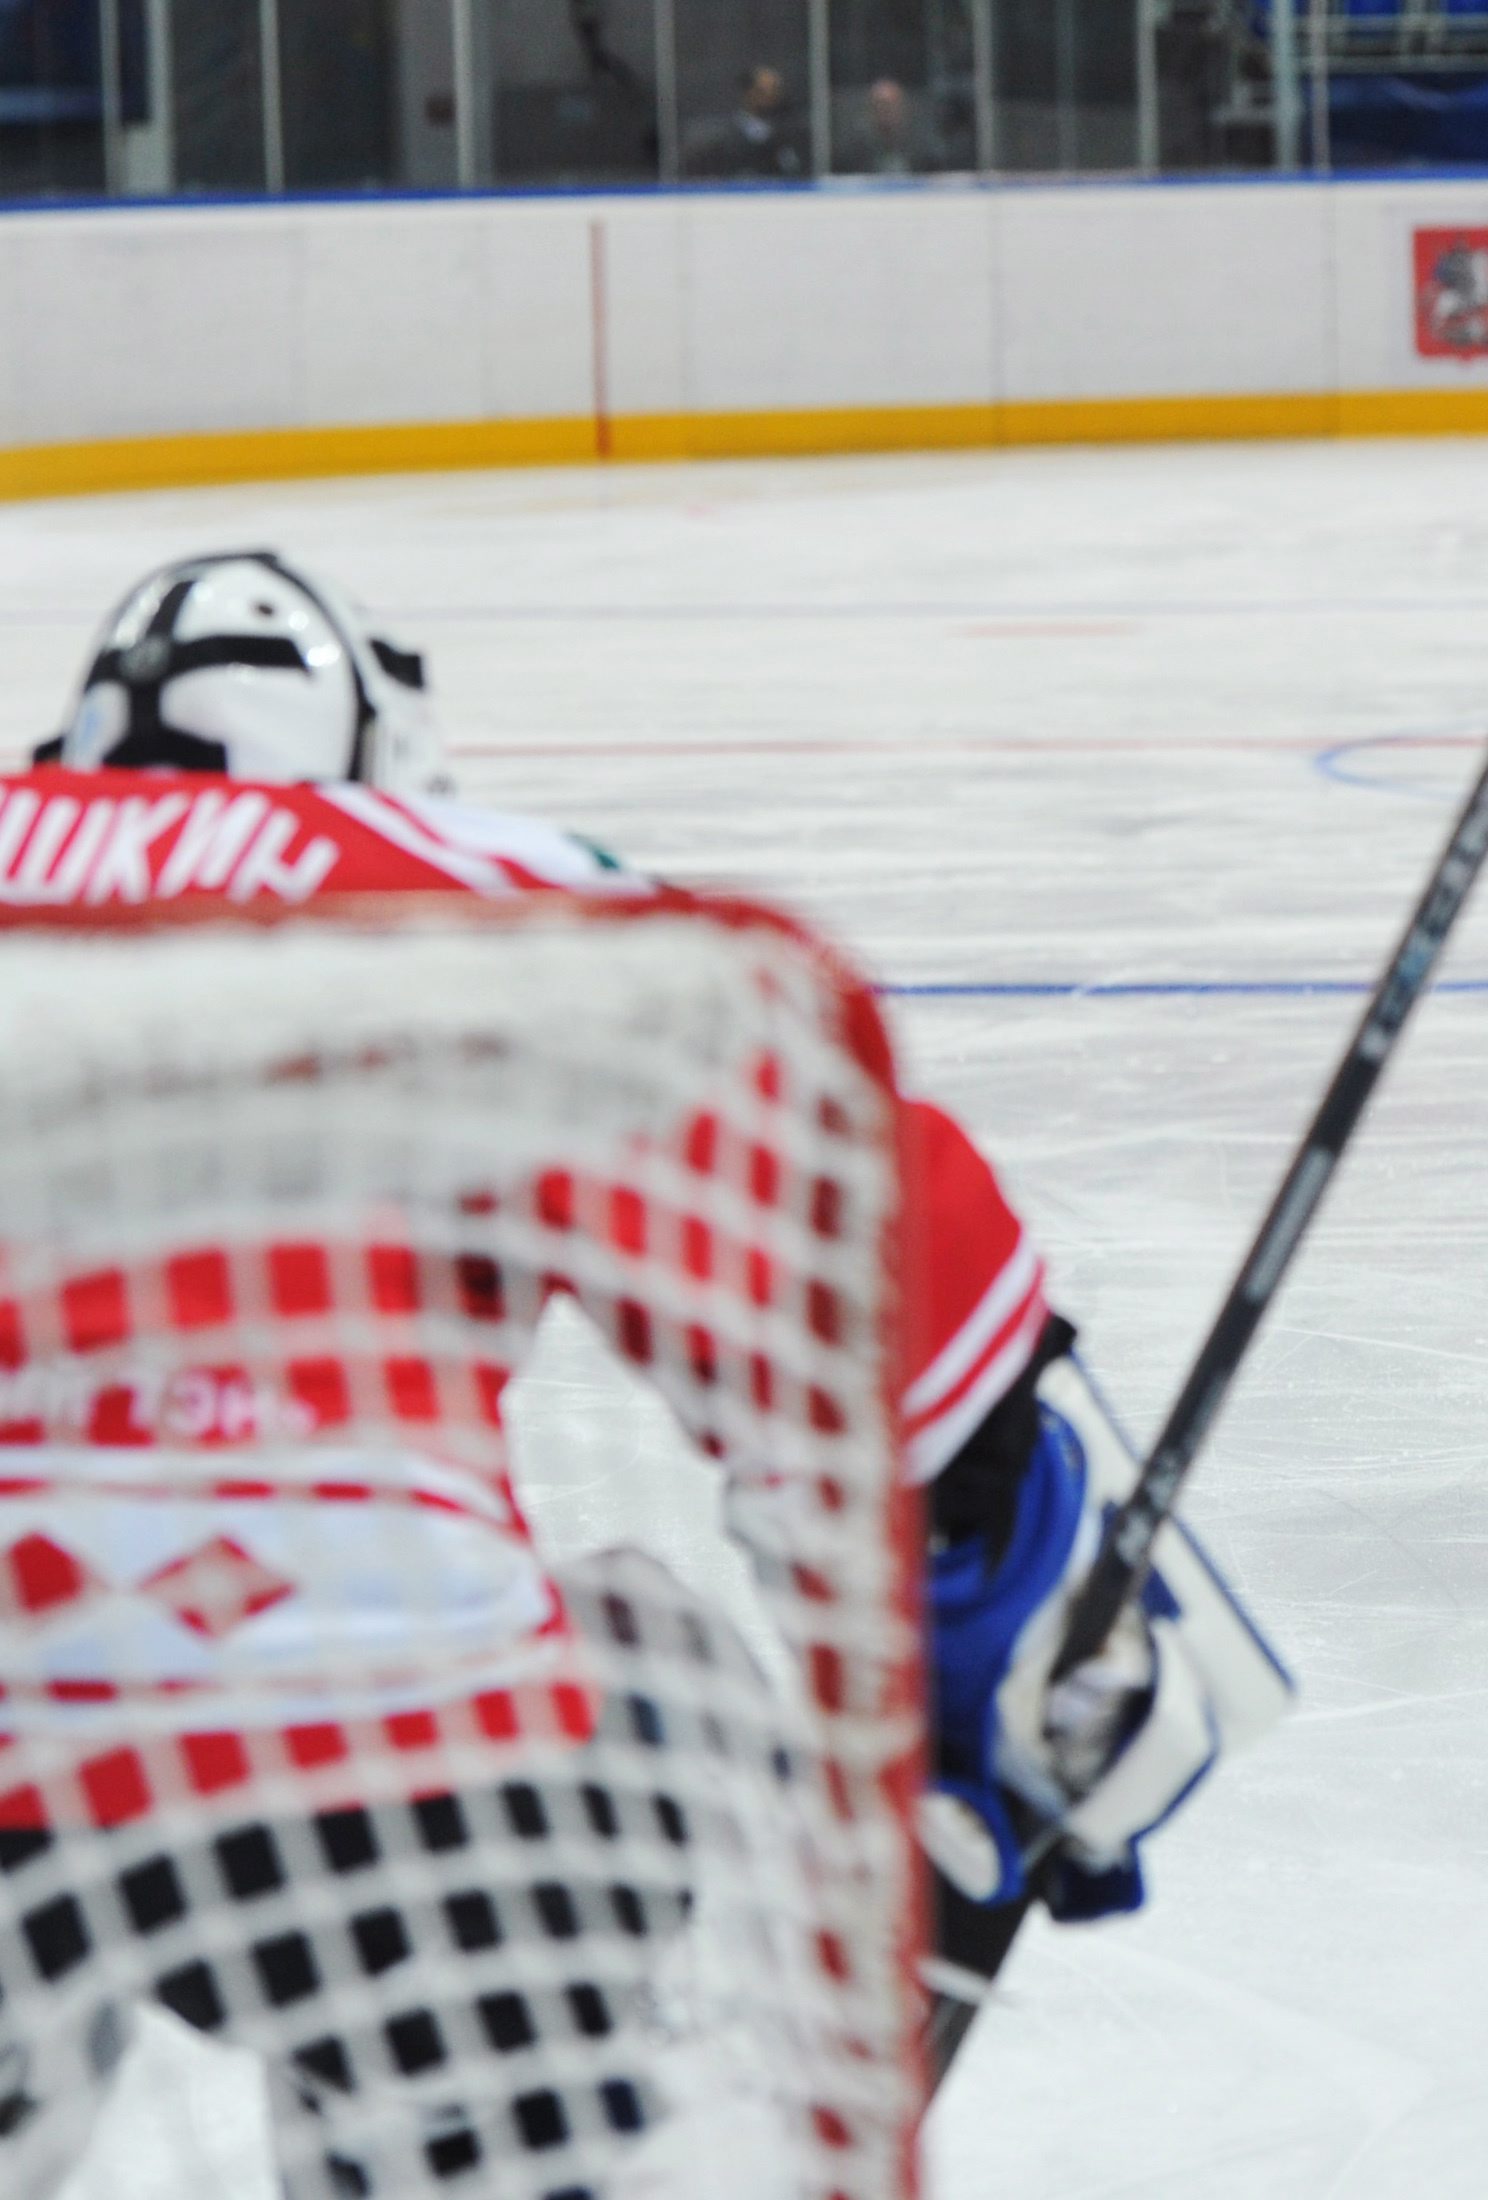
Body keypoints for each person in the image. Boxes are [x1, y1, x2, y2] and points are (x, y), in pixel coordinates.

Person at [0, 551, 1288, 2193]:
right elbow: (890, 1297)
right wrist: (1018, 1661)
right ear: (381, 747)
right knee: (647, 1656)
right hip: (403, 1781)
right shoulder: (475, 890)